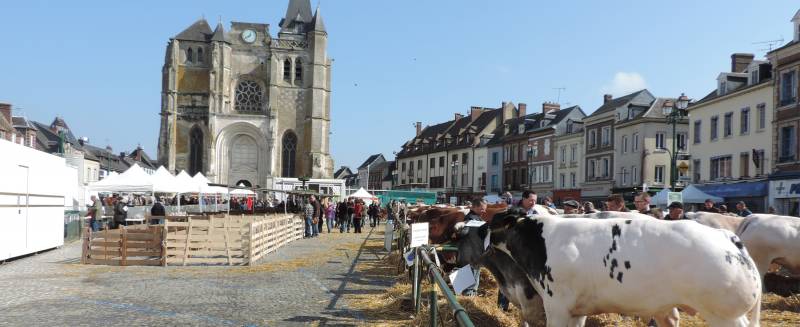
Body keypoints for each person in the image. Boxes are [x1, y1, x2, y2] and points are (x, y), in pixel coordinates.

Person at [462, 198, 487, 296]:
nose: (484, 211)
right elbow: (464, 232)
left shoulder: (475, 217)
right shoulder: (471, 218)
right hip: (471, 252)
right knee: (472, 276)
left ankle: (471, 294)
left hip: (474, 251)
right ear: (475, 207)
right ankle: (469, 296)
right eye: (482, 209)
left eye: (485, 209)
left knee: (475, 274)